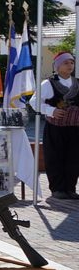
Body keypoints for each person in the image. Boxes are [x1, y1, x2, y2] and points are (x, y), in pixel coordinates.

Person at [39, 51, 79, 200]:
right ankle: (57, 189)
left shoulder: (77, 83)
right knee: (55, 157)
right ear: (57, 66)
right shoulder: (48, 83)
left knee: (74, 158)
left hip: (74, 127)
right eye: (66, 63)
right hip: (55, 128)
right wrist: (51, 110)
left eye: (72, 62)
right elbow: (34, 103)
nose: (70, 65)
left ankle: (70, 188)